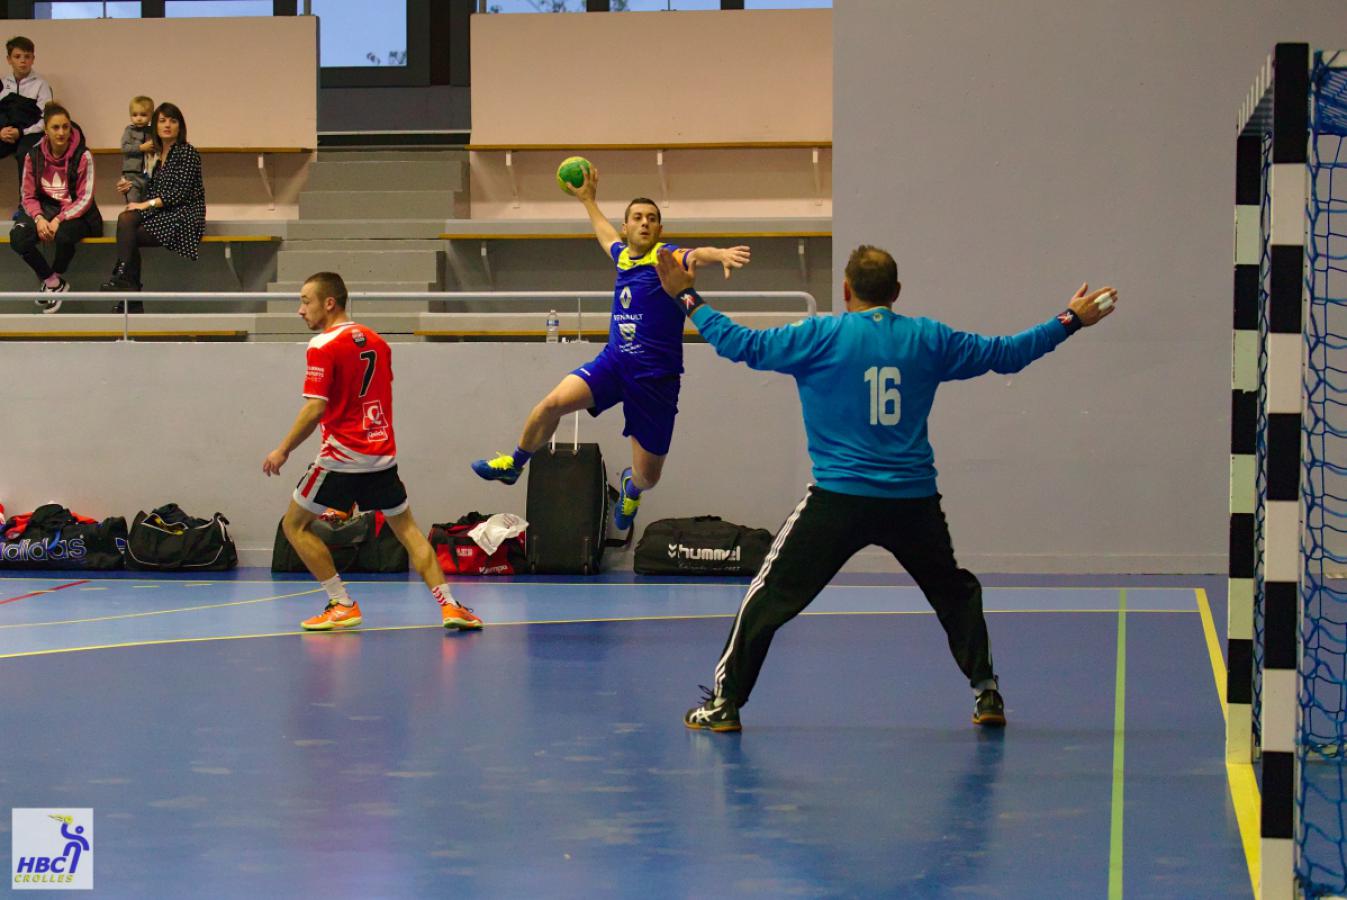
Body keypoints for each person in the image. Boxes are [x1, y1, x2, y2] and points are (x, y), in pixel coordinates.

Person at [658, 245, 1119, 733]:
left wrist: (687, 296)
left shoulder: (820, 335)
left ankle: (725, 704)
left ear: (845, 290)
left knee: (768, 596)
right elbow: (1008, 354)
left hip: (838, 500)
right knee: (953, 593)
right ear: (896, 294)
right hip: (912, 502)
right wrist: (1070, 319)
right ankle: (987, 693)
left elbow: (739, 344)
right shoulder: (929, 339)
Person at [470, 163, 751, 533]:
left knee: (649, 476)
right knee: (551, 404)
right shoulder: (621, 257)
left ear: (660, 229)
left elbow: (696, 255)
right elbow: (603, 233)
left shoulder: (665, 257)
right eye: (637, 217)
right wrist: (588, 199)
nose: (645, 223)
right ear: (627, 226)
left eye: (652, 218)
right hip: (614, 364)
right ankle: (515, 463)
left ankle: (631, 489)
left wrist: (721, 255)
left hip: (656, 380)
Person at [263, 271, 484, 633]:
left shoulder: (322, 345)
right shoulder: (378, 342)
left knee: (294, 525)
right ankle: (451, 606)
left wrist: (282, 449)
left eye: (306, 301)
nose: (300, 310)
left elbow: (316, 407)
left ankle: (342, 603)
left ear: (329, 302)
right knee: (409, 531)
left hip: (340, 457)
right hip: (381, 457)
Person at [101, 102, 205, 311]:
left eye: (173, 121)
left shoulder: (187, 152)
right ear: (155, 126)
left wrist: (144, 204)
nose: (167, 125)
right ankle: (129, 289)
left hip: (183, 215)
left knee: (127, 231)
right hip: (161, 212)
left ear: (180, 126)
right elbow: (150, 192)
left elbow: (179, 194)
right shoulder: (155, 156)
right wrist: (129, 188)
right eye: (162, 120)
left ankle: (128, 291)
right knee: (126, 218)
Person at [10, 102, 102, 311]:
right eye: (55, 127)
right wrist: (39, 218)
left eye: (65, 127)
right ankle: (53, 282)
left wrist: (59, 219)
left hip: (76, 214)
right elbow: (27, 194)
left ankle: (56, 276)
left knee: (63, 236)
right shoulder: (32, 155)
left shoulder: (83, 155)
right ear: (46, 130)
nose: (61, 132)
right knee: (18, 238)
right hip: (43, 210)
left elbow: (85, 198)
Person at [0, 36, 52, 179]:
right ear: (9, 59)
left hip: (30, 133)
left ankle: (27, 200)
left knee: (26, 154)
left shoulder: (41, 85)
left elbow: (46, 119)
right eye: (17, 57)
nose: (23, 61)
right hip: (6, 133)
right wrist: (1, 131)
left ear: (33, 59)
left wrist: (22, 132)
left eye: (27, 56)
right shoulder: (2, 84)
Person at [119, 95, 154, 204]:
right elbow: (124, 148)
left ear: (151, 116)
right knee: (133, 202)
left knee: (147, 204)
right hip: (132, 175)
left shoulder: (152, 131)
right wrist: (141, 148)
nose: (138, 118)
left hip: (148, 174)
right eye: (134, 115)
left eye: (143, 115)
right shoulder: (129, 131)